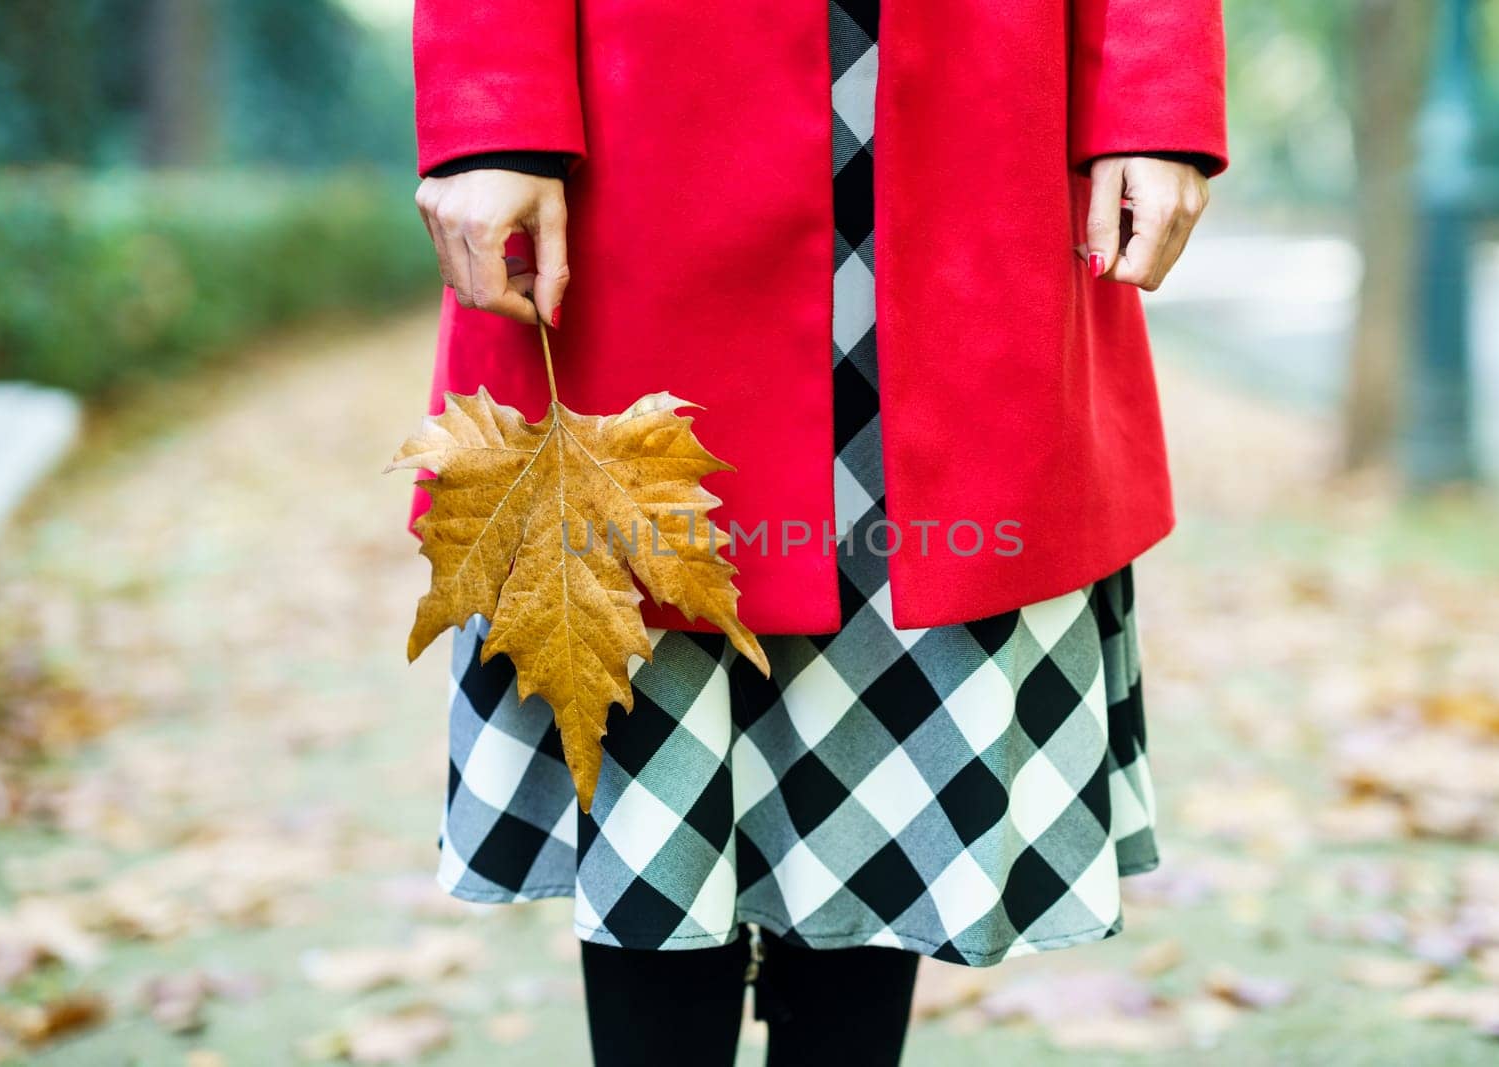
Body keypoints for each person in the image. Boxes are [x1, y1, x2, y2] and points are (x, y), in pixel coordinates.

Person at [408, 1, 1227, 1063]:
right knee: (642, 649)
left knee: (902, 686)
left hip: (980, 110)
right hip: (639, 120)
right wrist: (493, 107)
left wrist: (1152, 92)